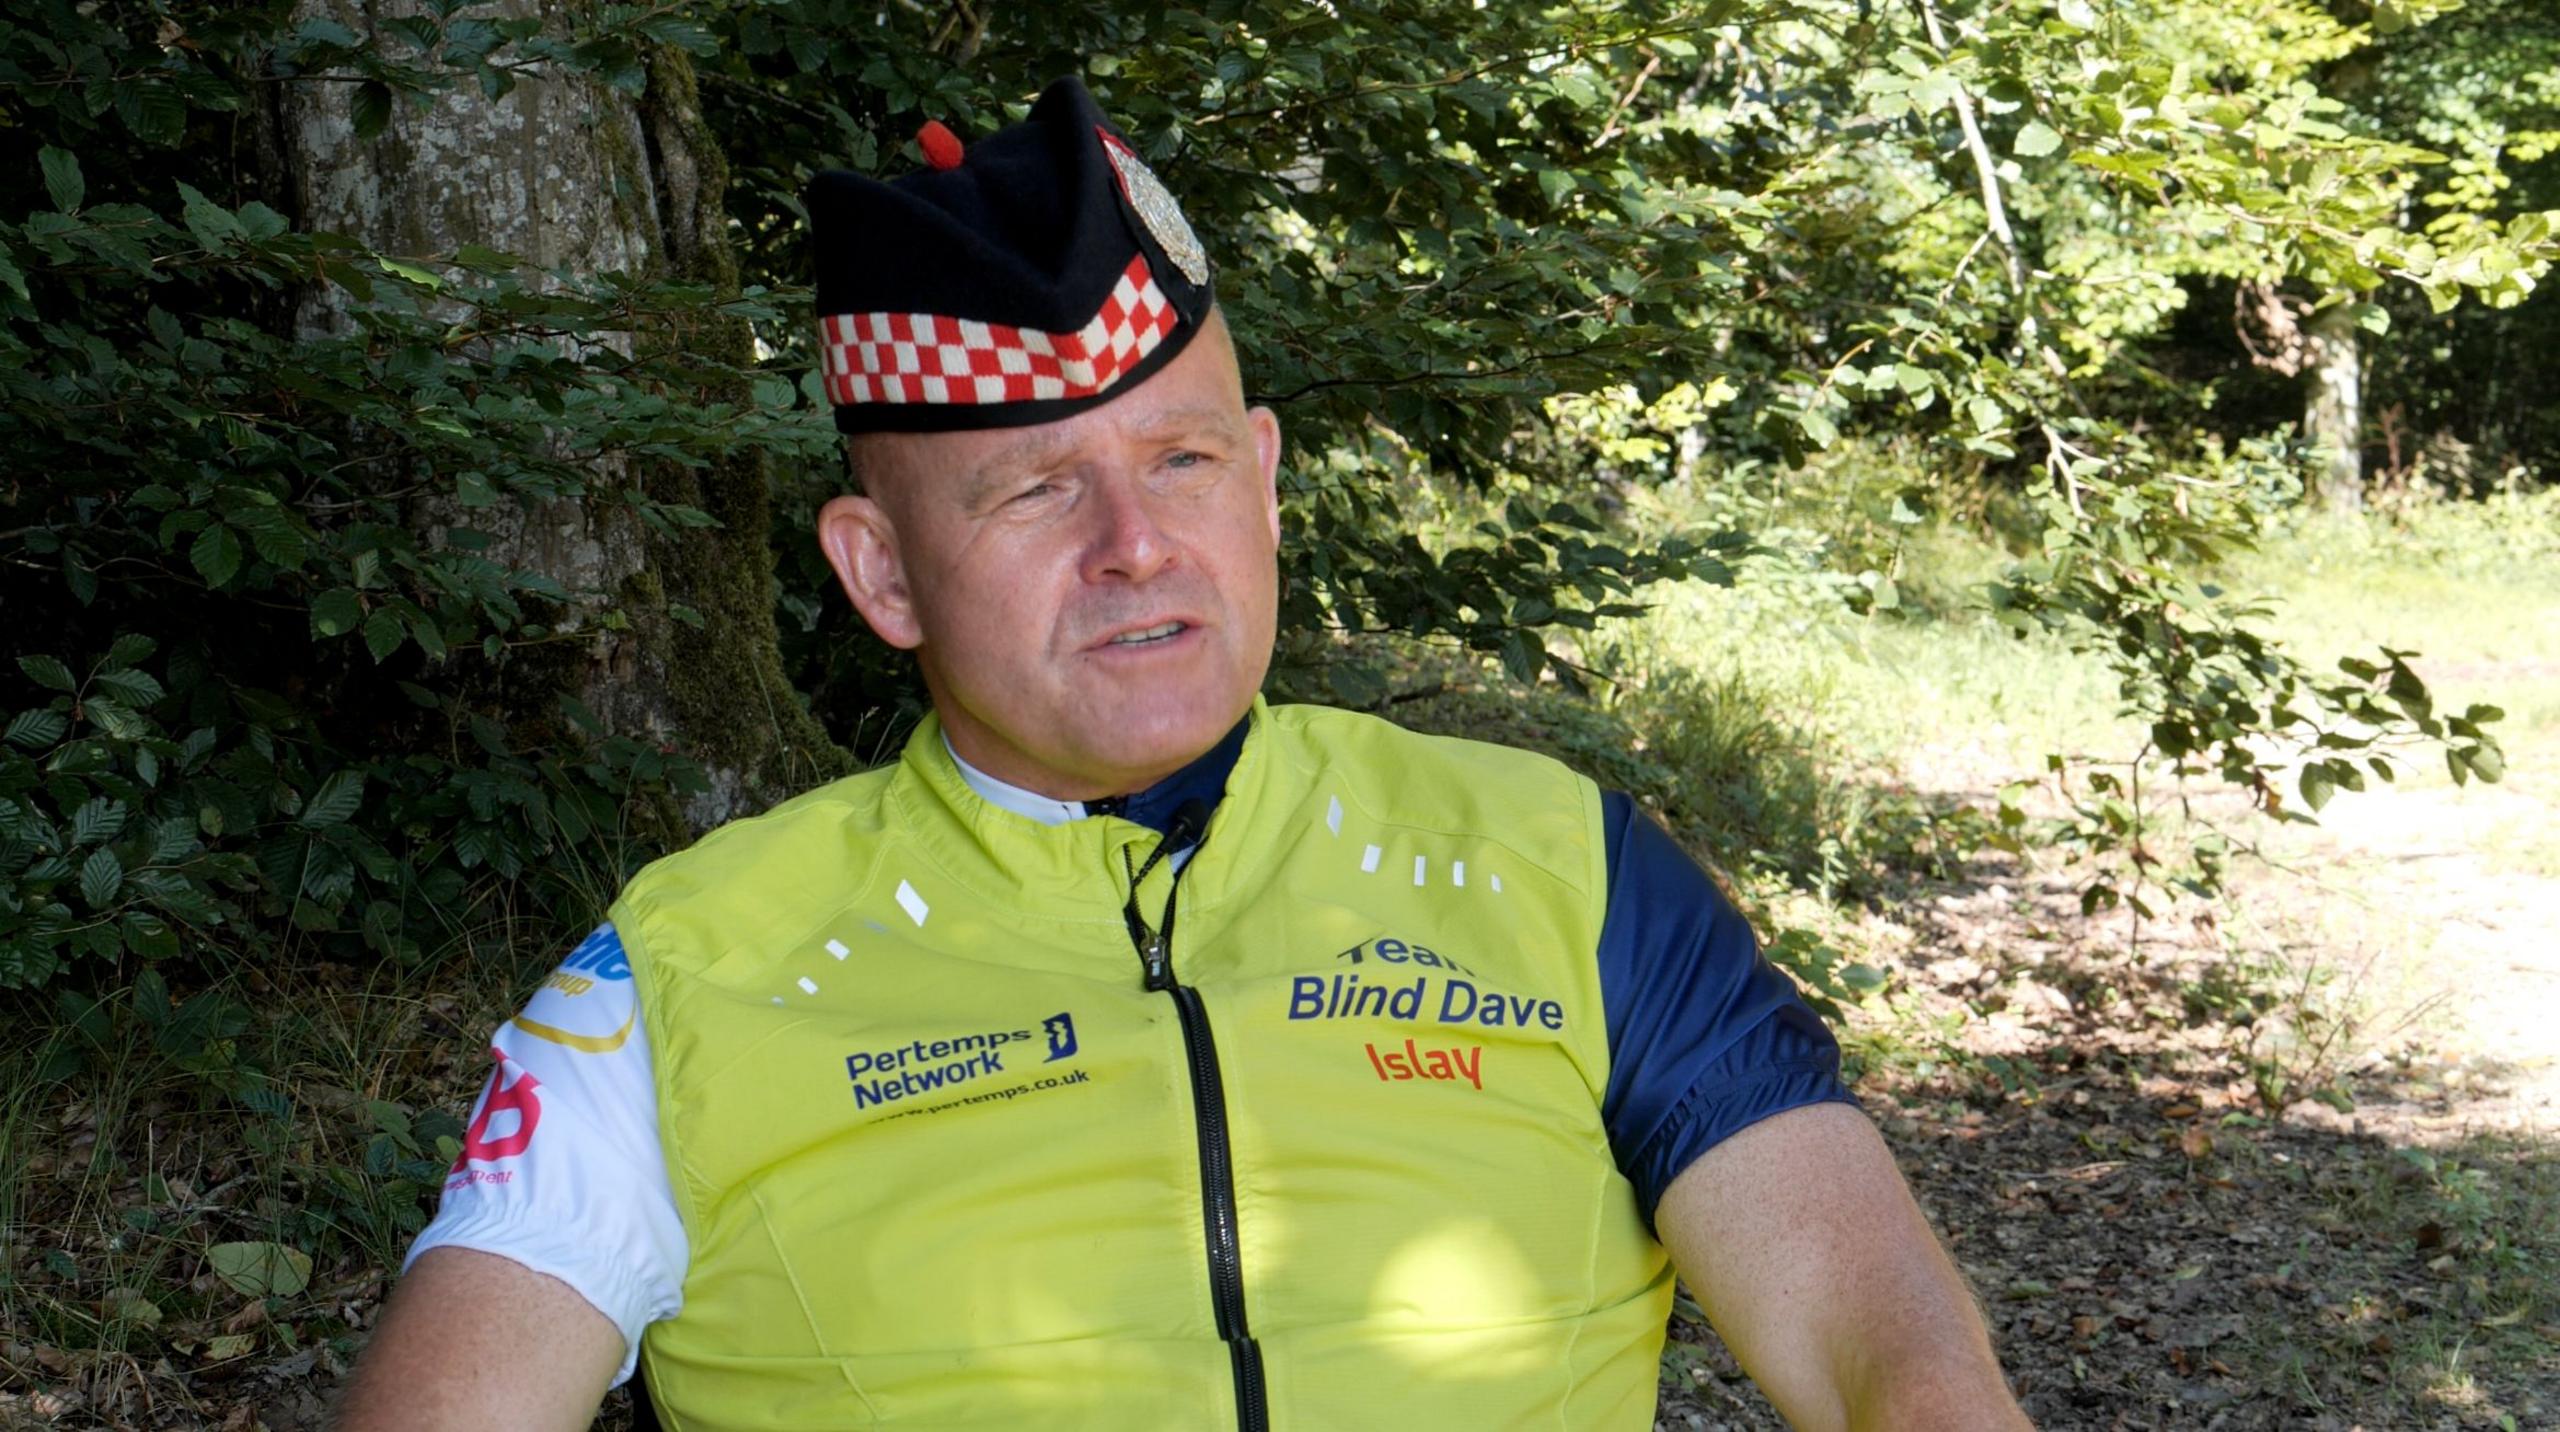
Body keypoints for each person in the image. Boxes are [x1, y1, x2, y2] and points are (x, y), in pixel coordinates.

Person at [335, 77, 2030, 1432]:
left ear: (1270, 479)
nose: (1137, 544)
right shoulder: (692, 970)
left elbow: (1890, 1360)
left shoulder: (1560, 869)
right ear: (880, 574)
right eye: (1033, 487)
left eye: (1187, 460)